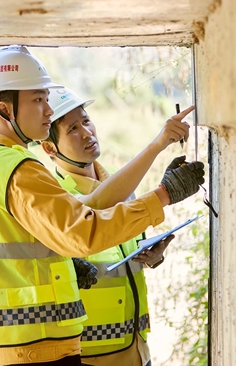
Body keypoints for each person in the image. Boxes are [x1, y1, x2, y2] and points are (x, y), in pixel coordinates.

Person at [0, 45, 205, 366]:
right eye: (37, 100)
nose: (48, 110)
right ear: (5, 110)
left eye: (46, 98)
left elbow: (80, 211)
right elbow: (83, 230)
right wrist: (163, 196)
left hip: (14, 346)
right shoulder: (19, 169)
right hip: (39, 346)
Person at [40, 87, 194, 366]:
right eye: (72, 128)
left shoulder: (119, 184)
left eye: (86, 121)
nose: (86, 133)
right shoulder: (56, 196)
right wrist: (159, 146)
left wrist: (152, 256)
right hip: (91, 353)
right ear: (49, 147)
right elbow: (91, 207)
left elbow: (128, 250)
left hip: (135, 345)